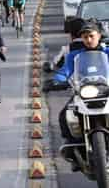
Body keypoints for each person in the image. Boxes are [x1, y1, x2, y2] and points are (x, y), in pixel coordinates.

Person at [53, 22, 109, 168]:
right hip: (84, 91)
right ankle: (72, 147)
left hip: (106, 90)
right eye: (85, 37)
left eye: (91, 36)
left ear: (99, 36)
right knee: (64, 114)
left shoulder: (107, 52)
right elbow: (65, 71)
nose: (89, 40)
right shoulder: (75, 55)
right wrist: (58, 80)